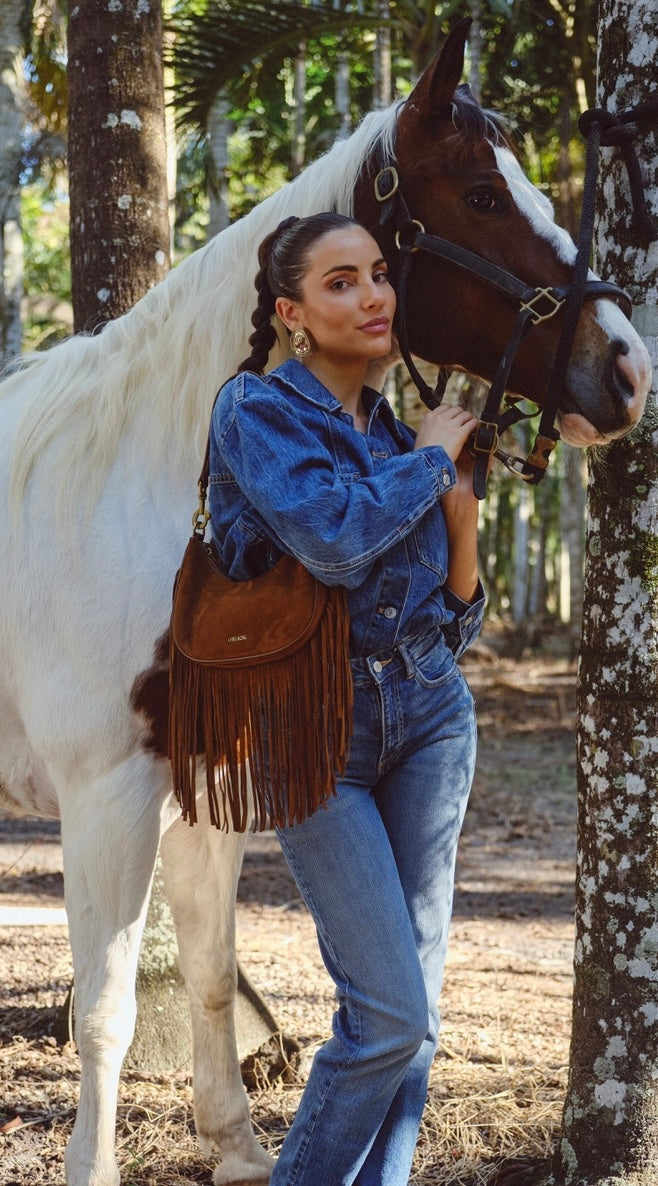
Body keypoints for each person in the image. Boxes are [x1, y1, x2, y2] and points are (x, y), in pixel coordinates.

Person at [204, 211, 484, 1186]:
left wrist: (462, 524)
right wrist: (431, 466)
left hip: (432, 718)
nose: (372, 295)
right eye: (340, 282)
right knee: (390, 1015)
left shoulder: (399, 432)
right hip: (314, 733)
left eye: (376, 275)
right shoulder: (256, 412)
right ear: (292, 313)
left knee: (415, 1021)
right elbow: (329, 535)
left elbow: (450, 623)